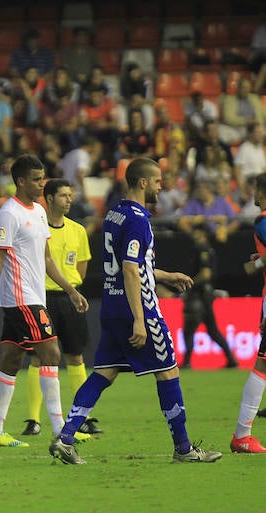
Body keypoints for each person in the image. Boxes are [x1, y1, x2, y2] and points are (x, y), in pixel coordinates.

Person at [49, 158, 224, 465]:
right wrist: (141, 320)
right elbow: (130, 270)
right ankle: (183, 448)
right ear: (143, 182)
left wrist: (166, 275)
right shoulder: (139, 220)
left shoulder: (115, 212)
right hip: (137, 309)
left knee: (104, 372)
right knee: (168, 370)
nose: (162, 185)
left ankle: (65, 438)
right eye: (158, 181)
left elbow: (131, 265)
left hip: (112, 307)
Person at [0, 155, 90, 448]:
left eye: (43, 178)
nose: (42, 184)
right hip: (20, 297)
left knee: (12, 358)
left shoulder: (39, 211)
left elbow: (47, 258)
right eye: (37, 179)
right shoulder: (8, 214)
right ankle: (61, 428)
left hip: (33, 294)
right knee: (51, 352)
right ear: (21, 181)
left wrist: (70, 290)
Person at [21, 179, 98, 436]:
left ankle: (82, 416)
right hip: (40, 297)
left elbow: (82, 269)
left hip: (69, 297)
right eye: (64, 195)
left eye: (70, 194)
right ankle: (34, 419)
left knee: (75, 355)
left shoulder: (78, 230)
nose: (69, 199)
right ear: (49, 198)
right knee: (37, 356)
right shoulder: (38, 228)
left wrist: (72, 290)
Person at [180, 223, 238, 370]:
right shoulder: (209, 250)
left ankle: (187, 361)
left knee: (189, 328)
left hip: (200, 295)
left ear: (203, 235)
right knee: (212, 330)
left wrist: (190, 284)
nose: (194, 235)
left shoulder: (202, 250)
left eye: (197, 233)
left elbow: (206, 274)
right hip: (207, 294)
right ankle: (231, 359)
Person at [236, 173, 266, 453]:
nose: (253, 195)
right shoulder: (263, 220)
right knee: (263, 364)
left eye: (255, 188)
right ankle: (242, 435)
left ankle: (242, 435)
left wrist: (257, 262)